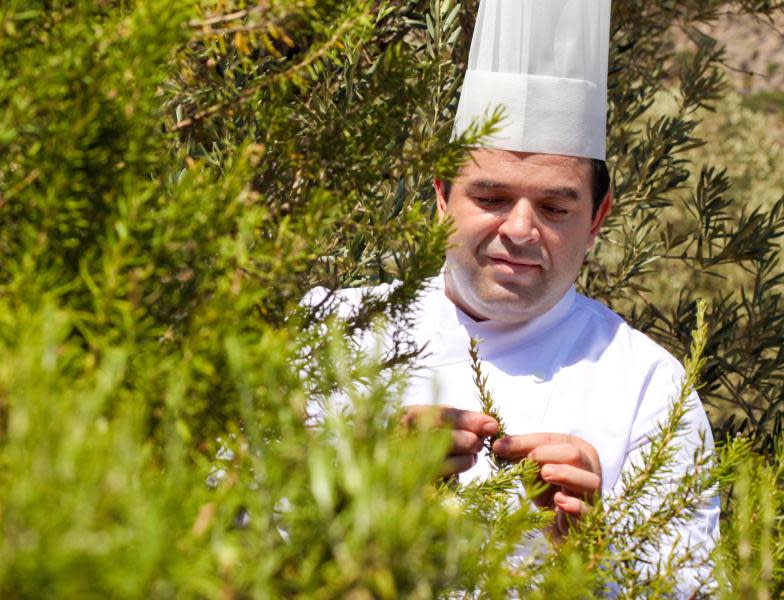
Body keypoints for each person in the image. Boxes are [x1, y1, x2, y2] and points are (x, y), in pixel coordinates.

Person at [307, 0, 719, 590]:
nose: (520, 230)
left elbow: (694, 586)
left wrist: (595, 555)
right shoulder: (333, 331)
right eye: (492, 198)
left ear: (598, 216)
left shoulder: (650, 388)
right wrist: (360, 494)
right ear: (442, 196)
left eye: (554, 207)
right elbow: (221, 540)